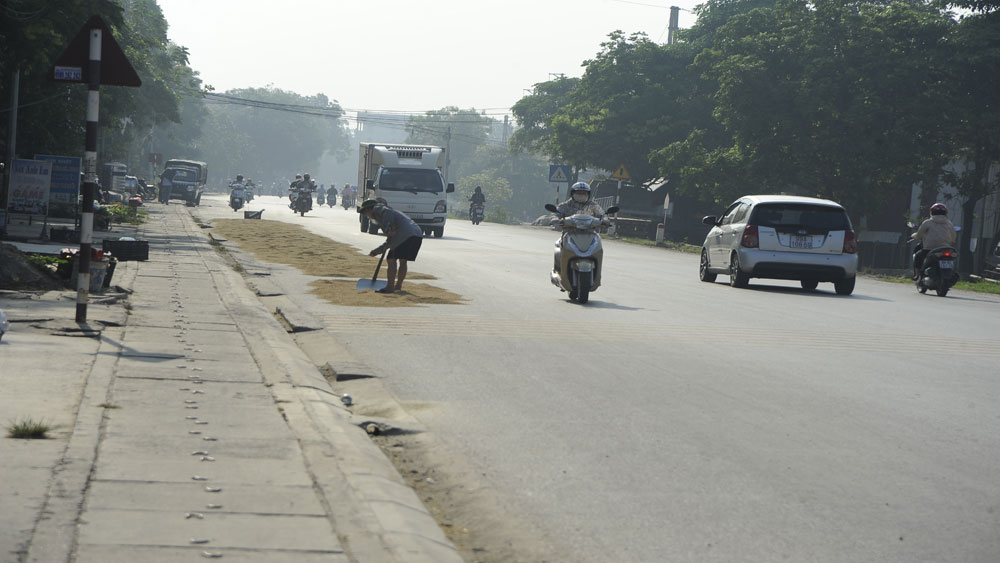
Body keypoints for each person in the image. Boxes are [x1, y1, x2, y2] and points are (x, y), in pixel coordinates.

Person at [359, 199, 423, 294]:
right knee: (403, 260)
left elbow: (387, 213)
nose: (368, 217)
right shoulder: (387, 217)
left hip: (405, 235)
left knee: (391, 259)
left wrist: (387, 228)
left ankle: (390, 287)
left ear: (368, 210)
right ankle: (398, 286)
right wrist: (378, 250)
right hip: (416, 234)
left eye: (366, 214)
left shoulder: (378, 209)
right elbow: (391, 241)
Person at [909, 202, 957, 279]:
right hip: (945, 249)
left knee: (917, 256)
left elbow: (919, 235)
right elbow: (953, 237)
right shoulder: (949, 224)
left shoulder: (928, 223)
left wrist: (913, 236)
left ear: (931, 212)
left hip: (929, 249)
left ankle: (917, 275)